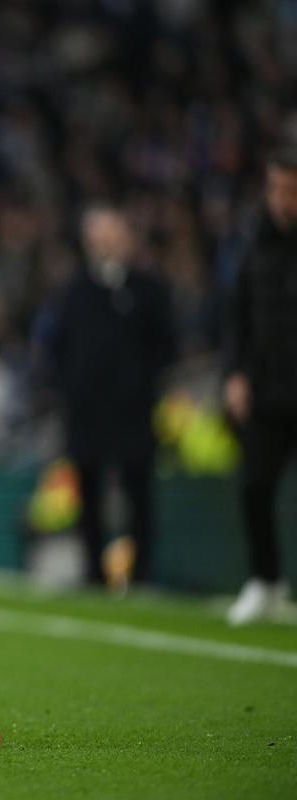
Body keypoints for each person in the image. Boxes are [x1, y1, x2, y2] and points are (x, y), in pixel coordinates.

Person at [45, 206, 176, 590]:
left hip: (134, 410)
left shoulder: (148, 288)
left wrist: (144, 385)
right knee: (89, 490)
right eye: (97, 236)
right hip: (86, 411)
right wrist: (69, 388)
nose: (103, 243)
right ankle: (94, 573)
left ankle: (143, 573)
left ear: (126, 239)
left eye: (110, 234)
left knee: (139, 489)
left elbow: (165, 346)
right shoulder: (73, 291)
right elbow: (55, 347)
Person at [223, 147, 297, 626]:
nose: (285, 200)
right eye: (279, 189)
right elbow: (238, 316)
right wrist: (235, 373)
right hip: (267, 388)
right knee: (255, 487)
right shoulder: (254, 244)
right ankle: (265, 582)